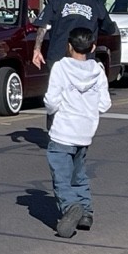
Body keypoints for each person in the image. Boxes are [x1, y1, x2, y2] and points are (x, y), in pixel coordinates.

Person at [43, 26, 111, 238]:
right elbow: (104, 104)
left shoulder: (61, 67)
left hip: (63, 131)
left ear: (68, 46)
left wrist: (52, 110)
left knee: (61, 177)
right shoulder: (97, 70)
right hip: (85, 132)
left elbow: (52, 101)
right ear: (91, 47)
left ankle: (71, 206)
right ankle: (86, 212)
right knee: (78, 174)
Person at [32, 0, 117, 70]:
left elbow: (43, 26)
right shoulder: (95, 3)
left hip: (58, 59)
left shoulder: (57, 0)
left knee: (60, 85)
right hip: (84, 59)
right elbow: (109, 28)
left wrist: (37, 50)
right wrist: (93, 39)